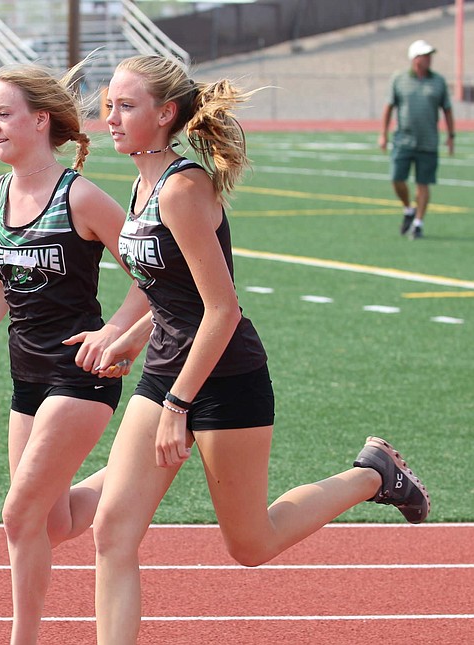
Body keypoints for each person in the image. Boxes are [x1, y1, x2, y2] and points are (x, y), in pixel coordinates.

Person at [87, 55, 431, 644]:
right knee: (112, 532)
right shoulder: (142, 182)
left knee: (251, 544)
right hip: (168, 371)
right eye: (108, 105)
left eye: (125, 106)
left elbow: (222, 311)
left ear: (165, 113)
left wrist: (178, 406)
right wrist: (124, 340)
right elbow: (170, 297)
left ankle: (373, 475)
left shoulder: (181, 189)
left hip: (224, 378)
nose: (110, 118)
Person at [0, 61, 147, 645]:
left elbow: (153, 275)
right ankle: (145, 467)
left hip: (81, 373)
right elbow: (1, 283)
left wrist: (118, 333)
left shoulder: (80, 197)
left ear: (40, 121)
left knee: (17, 515)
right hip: (26, 376)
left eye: (3, 115)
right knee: (52, 523)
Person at [379, 39, 455, 239]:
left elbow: (447, 109)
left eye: (430, 55)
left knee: (424, 184)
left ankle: (418, 223)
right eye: (425, 55)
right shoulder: (399, 79)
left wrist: (451, 136)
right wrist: (383, 134)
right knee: (397, 179)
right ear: (415, 58)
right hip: (403, 140)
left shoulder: (438, 81)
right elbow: (389, 107)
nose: (429, 59)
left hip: (428, 141)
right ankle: (408, 209)